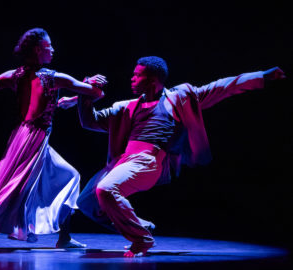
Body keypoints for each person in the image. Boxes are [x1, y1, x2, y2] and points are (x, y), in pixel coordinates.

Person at [58, 56, 285, 257]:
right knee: (87, 203)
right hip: (123, 160)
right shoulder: (125, 107)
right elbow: (90, 121)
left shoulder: (179, 99)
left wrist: (262, 77)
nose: (132, 79)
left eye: (138, 76)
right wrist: (85, 94)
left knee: (106, 189)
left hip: (148, 161)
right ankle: (140, 226)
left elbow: (222, 87)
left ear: (154, 79)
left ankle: (142, 238)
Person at [0, 28, 106, 252]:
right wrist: (91, 82)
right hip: (35, 139)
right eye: (49, 46)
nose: (53, 50)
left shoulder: (14, 75)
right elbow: (96, 94)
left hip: (21, 136)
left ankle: (65, 237)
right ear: (39, 49)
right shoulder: (53, 77)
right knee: (12, 191)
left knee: (69, 176)